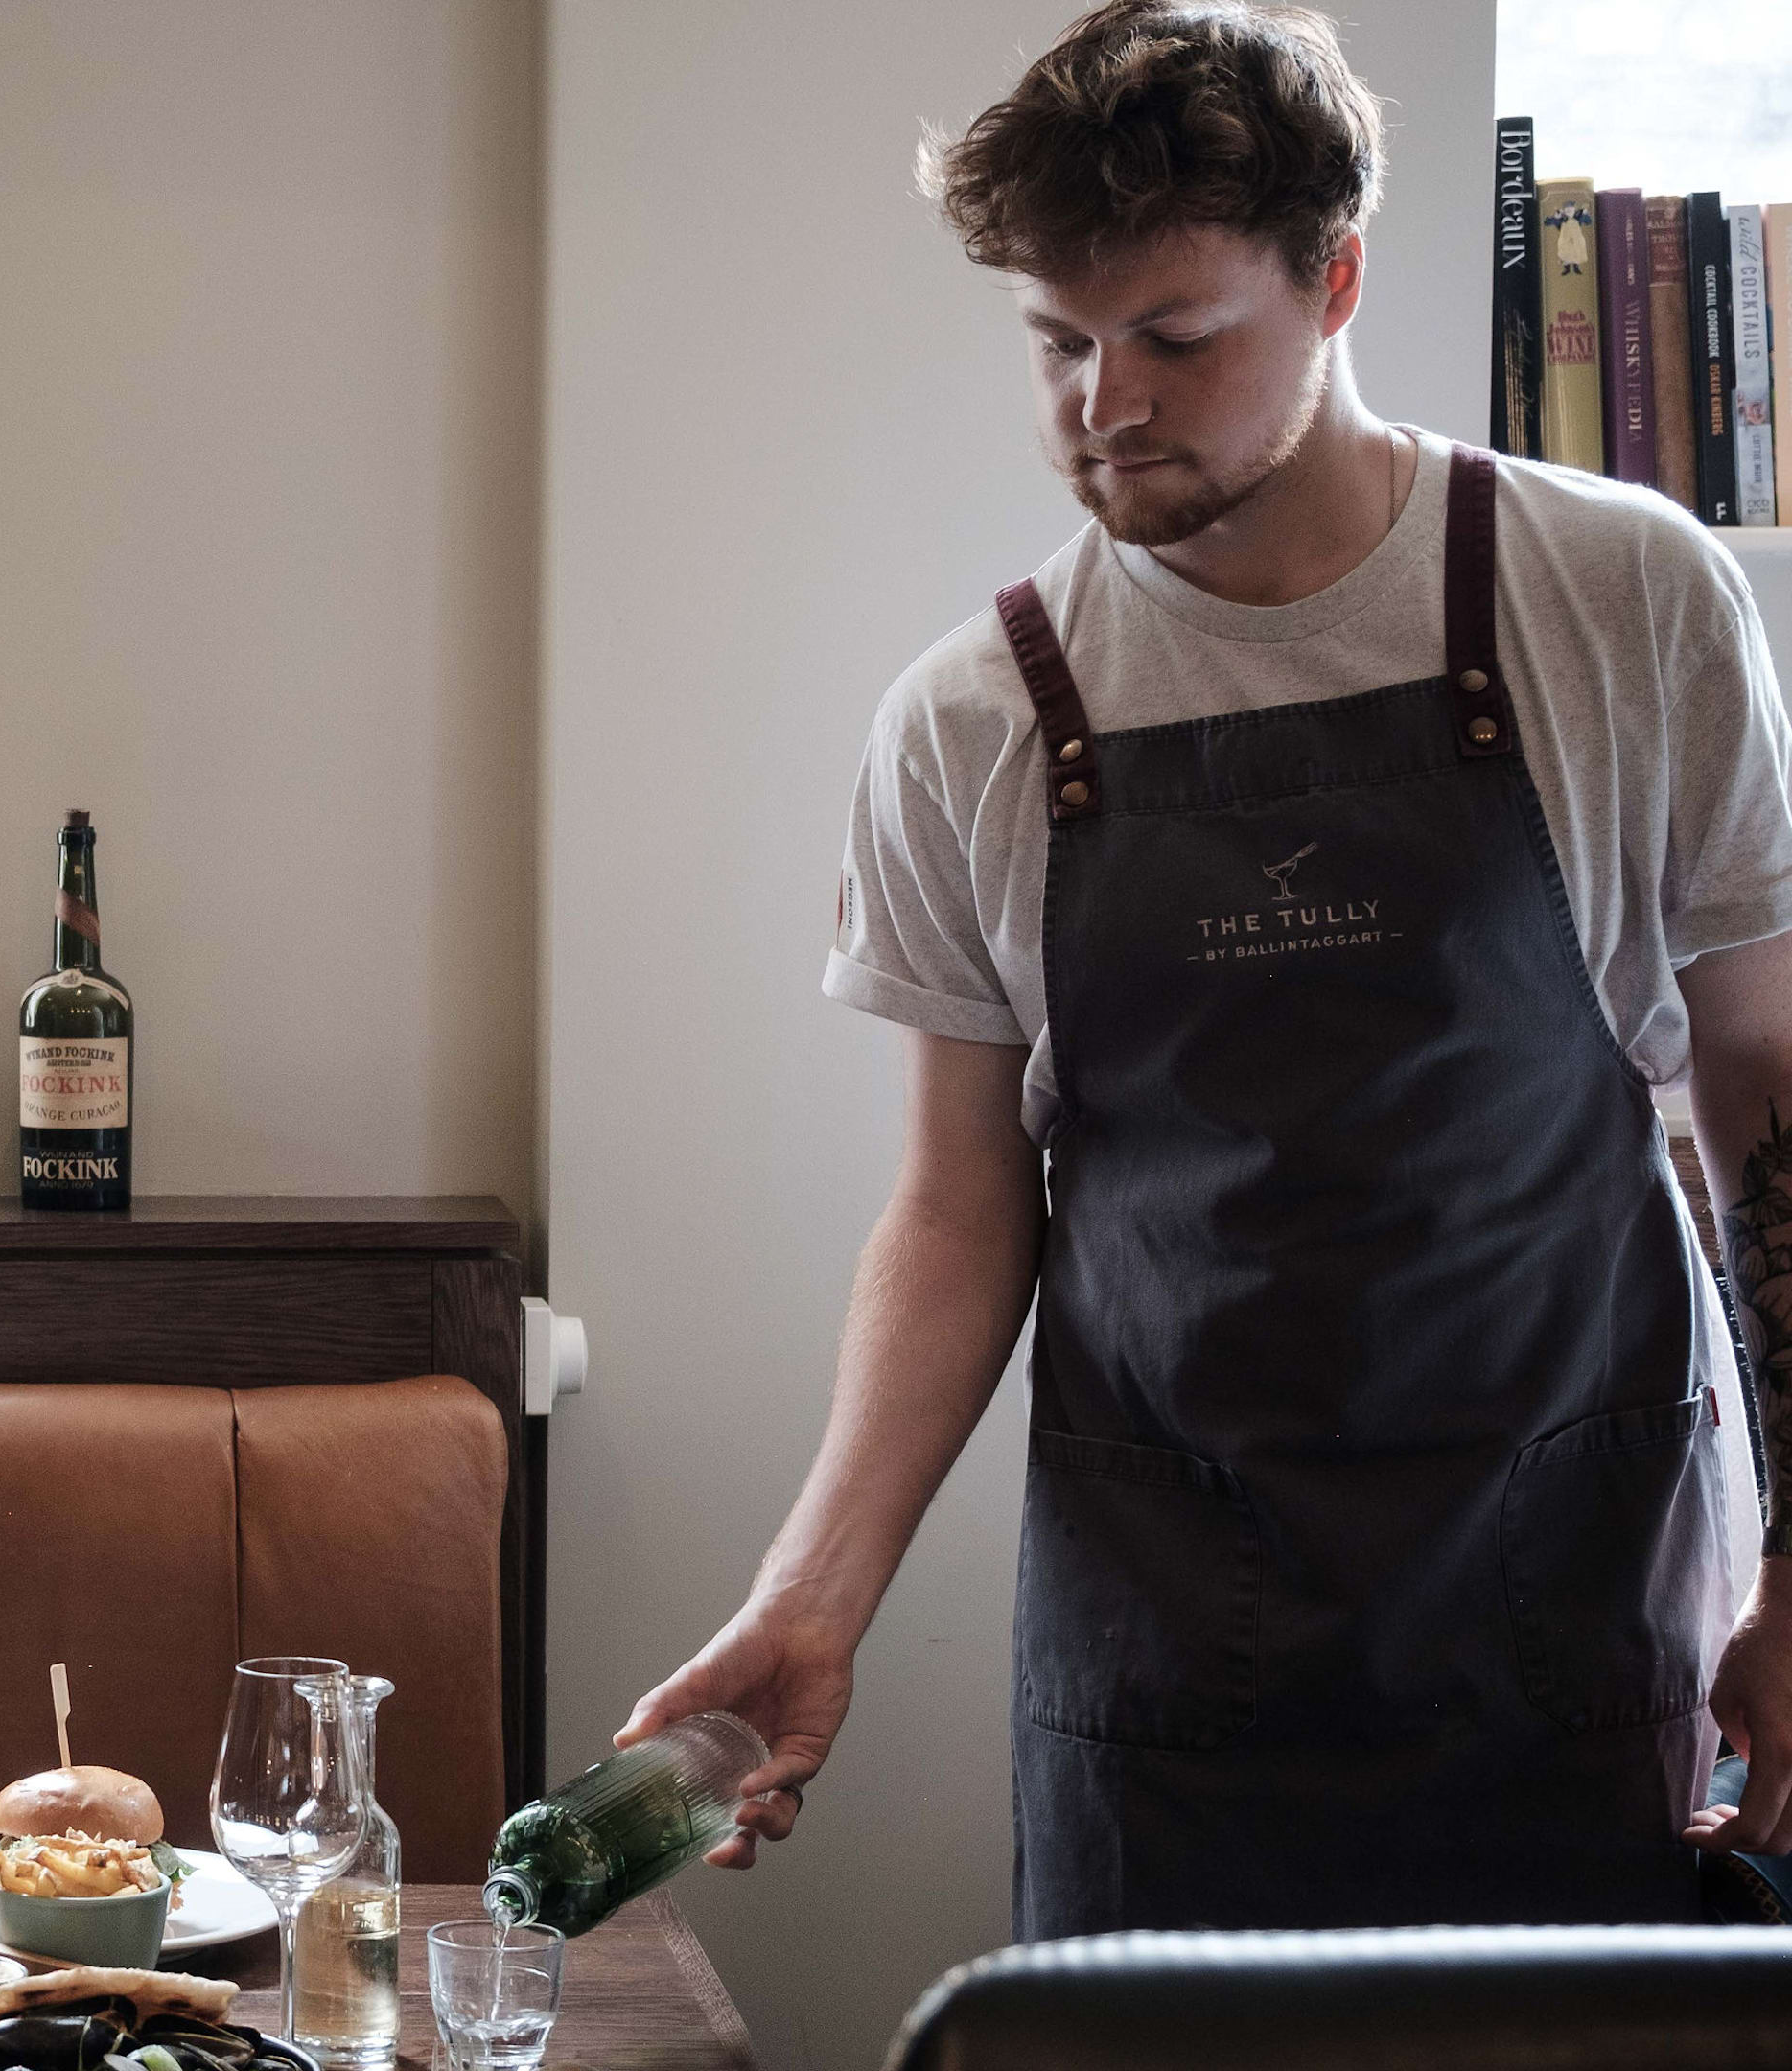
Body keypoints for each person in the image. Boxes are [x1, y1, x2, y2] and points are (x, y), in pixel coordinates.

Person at [629, 0, 1792, 1936]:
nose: (1107, 405)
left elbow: (1763, 1095)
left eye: (1175, 337)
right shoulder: (974, 720)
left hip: (1576, 1626)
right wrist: (808, 1597)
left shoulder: (1620, 597)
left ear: (1335, 281)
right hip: (1169, 1669)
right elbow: (958, 1207)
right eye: (1059, 342)